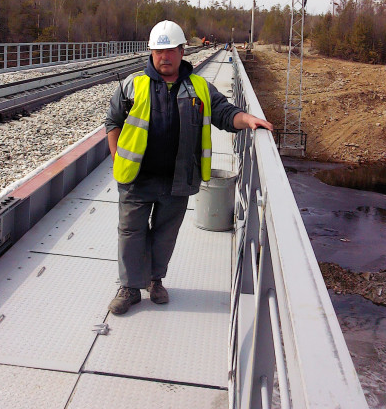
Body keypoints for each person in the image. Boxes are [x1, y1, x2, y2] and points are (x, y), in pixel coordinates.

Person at [105, 20, 273, 315]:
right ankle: (129, 287)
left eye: (171, 50)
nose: (164, 57)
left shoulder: (200, 88)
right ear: (151, 52)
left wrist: (248, 120)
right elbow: (112, 122)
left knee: (165, 234)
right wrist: (117, 157)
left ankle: (155, 281)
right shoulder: (132, 85)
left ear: (183, 51)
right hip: (136, 177)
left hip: (178, 179)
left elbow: (224, 113)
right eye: (159, 51)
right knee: (130, 232)